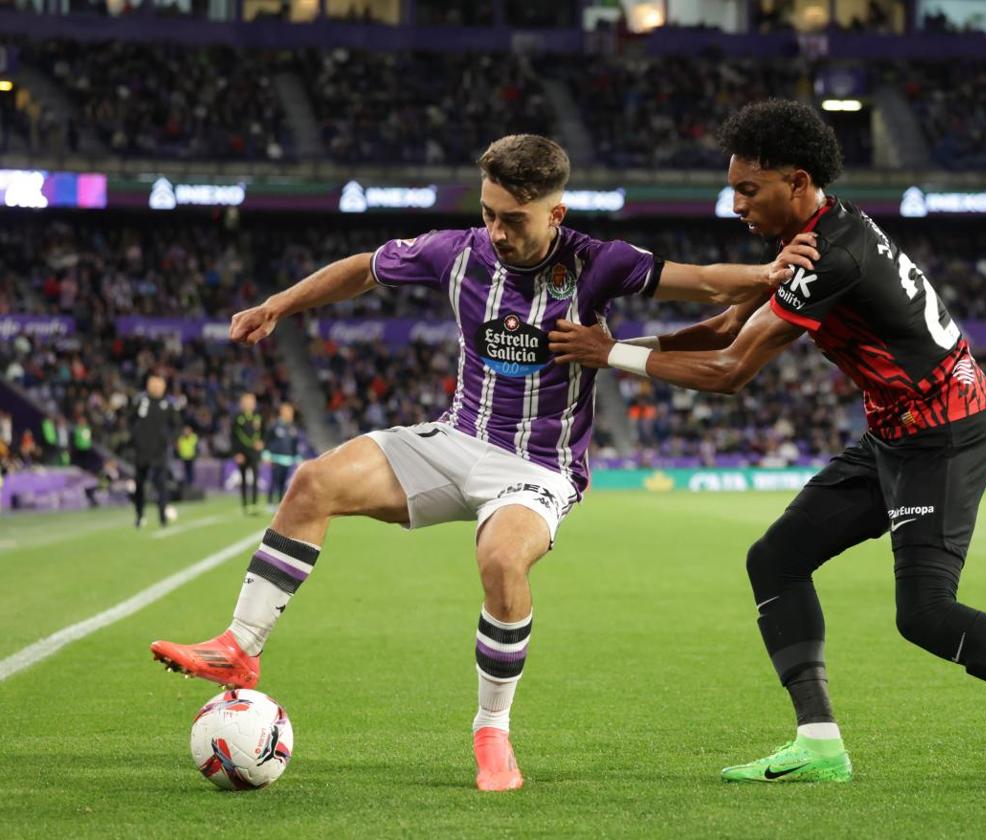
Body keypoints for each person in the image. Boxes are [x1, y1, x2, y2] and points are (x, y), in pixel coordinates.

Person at [149, 133, 820, 792]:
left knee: (501, 560)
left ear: (555, 214)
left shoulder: (598, 262)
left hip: (539, 467)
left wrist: (764, 275)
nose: (496, 231)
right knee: (313, 481)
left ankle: (492, 730)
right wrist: (278, 304)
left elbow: (699, 283)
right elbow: (363, 268)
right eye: (489, 213)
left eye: (514, 219)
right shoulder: (456, 253)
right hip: (457, 439)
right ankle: (240, 646)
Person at [549, 100, 986, 786]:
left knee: (927, 614)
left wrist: (612, 357)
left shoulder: (833, 254)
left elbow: (730, 372)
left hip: (948, 434)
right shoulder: (817, 232)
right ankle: (819, 746)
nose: (735, 205)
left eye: (748, 190)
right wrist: (618, 347)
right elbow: (727, 327)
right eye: (732, 189)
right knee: (776, 560)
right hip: (896, 433)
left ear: (798, 181)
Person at [130, 374, 177, 529]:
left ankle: (162, 516)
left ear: (163, 386)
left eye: (159, 384)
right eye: (153, 384)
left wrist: (168, 439)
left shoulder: (168, 404)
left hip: (160, 452)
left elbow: (177, 425)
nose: (156, 387)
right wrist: (135, 438)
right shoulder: (140, 401)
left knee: (161, 485)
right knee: (140, 485)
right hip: (142, 451)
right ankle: (139, 515)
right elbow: (129, 419)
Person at [264, 403, 302, 506]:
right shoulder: (274, 425)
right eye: (288, 411)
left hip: (288, 460)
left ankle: (280, 503)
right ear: (282, 412)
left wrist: (298, 458)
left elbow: (295, 445)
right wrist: (266, 455)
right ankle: (270, 502)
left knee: (283, 483)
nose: (290, 414)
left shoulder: (293, 427)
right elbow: (267, 441)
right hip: (276, 458)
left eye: (291, 412)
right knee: (274, 481)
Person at [232, 392, 264, 515]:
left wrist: (262, 442)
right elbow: (233, 436)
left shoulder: (258, 416)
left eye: (251, 402)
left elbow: (263, 432)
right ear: (242, 404)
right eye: (246, 402)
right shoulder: (237, 417)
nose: (249, 404)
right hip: (242, 452)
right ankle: (245, 504)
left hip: (254, 452)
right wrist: (236, 453)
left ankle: (254, 504)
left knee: (256, 477)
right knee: (243, 478)